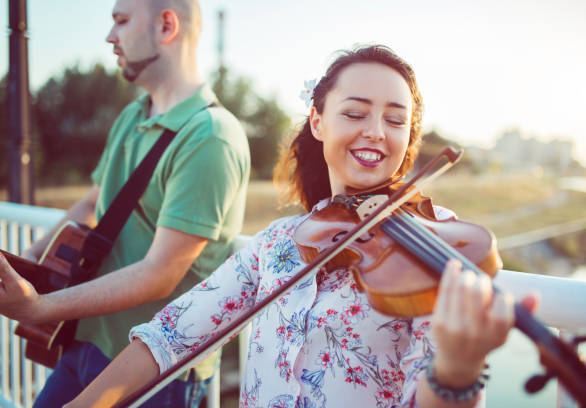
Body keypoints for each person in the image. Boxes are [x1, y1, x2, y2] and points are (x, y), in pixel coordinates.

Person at [63, 45, 537, 408]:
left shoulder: (437, 245)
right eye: (355, 113)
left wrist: (456, 367)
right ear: (318, 121)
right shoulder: (277, 243)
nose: (375, 130)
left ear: (408, 141)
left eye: (396, 121)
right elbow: (170, 336)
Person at [0, 0, 250, 407]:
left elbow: (159, 275)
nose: (109, 37)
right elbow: (95, 201)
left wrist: (39, 307)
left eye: (121, 21)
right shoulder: (133, 115)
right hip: (87, 341)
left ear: (167, 25)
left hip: (156, 368)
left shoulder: (211, 138)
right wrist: (26, 260)